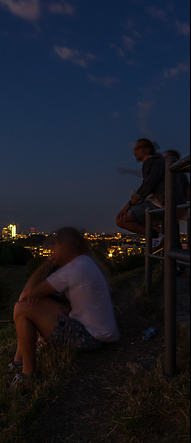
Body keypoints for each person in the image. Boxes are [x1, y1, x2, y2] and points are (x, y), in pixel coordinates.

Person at [10, 227, 117, 386]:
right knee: (31, 301)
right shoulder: (86, 261)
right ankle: (19, 359)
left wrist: (49, 261)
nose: (52, 248)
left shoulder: (73, 269)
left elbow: (28, 291)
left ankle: (28, 373)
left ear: (65, 247)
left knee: (21, 307)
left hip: (89, 337)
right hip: (98, 330)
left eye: (56, 245)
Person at [115, 139, 168, 247]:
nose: (135, 152)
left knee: (121, 220)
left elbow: (147, 185)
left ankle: (157, 236)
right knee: (138, 220)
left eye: (137, 149)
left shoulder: (151, 162)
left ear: (147, 149)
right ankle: (160, 233)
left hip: (158, 204)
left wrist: (129, 204)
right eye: (134, 149)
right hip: (161, 202)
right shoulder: (155, 163)